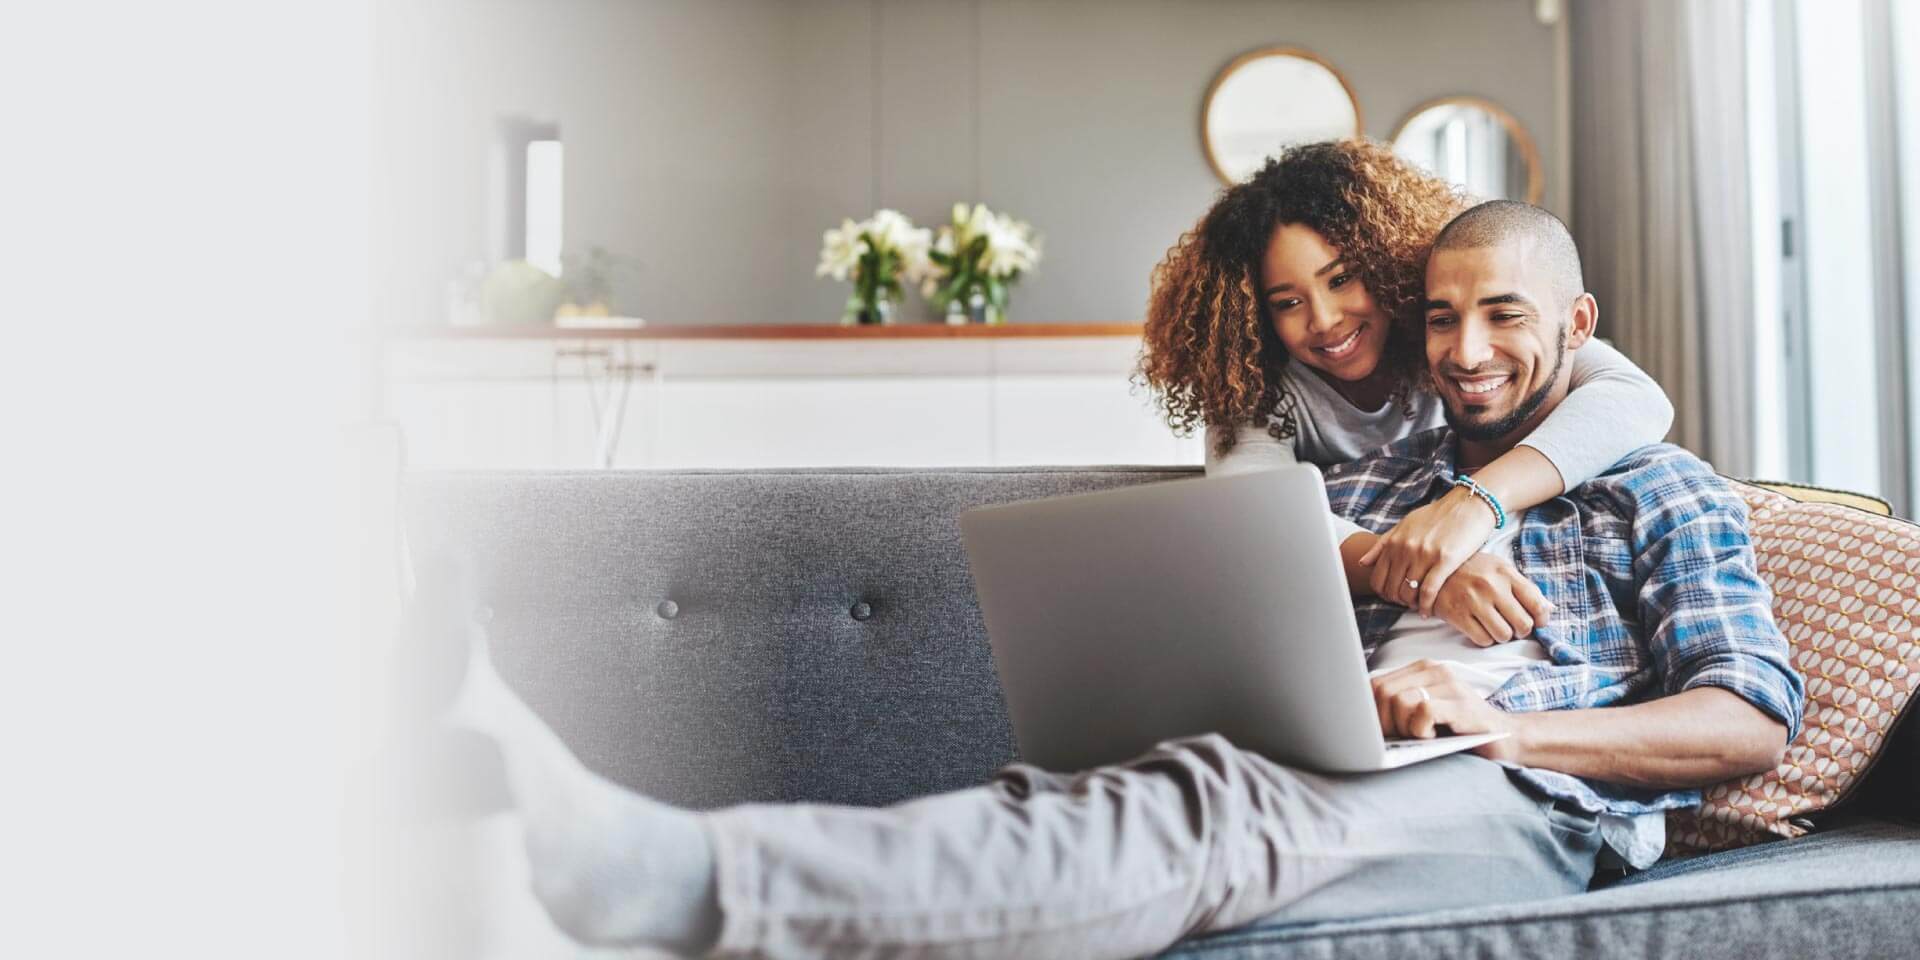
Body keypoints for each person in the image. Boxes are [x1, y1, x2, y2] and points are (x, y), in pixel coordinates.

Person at [437, 200, 1803, 959]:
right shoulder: (1373, 479)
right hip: (1347, 760)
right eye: (1440, 314)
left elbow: (1749, 715)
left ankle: (675, 881)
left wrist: (1500, 722)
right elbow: (1263, 566)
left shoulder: (1657, 482)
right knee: (1093, 796)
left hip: (1529, 799)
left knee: (1213, 812)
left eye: (1503, 314)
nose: (1464, 347)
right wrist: (1357, 634)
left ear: (1575, 323)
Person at [1139, 140, 1673, 635]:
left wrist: (1477, 501)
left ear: (1387, 263)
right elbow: (1253, 517)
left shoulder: (1454, 335)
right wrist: (1423, 574)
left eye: (1342, 278)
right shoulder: (1253, 387)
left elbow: (1636, 398)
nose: (1323, 320)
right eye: (1287, 303)